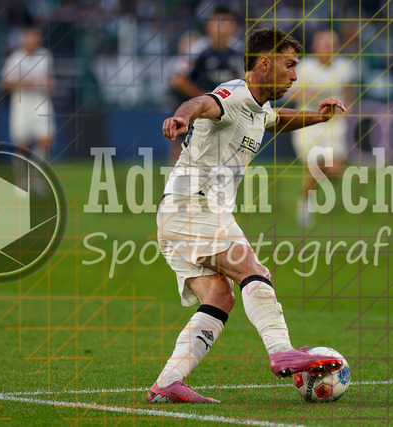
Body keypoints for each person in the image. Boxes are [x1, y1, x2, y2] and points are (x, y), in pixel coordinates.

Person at [148, 27, 347, 404]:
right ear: (265, 64)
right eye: (289, 65)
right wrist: (181, 117)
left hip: (180, 214)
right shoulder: (235, 94)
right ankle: (281, 350)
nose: (295, 75)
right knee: (253, 269)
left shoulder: (259, 106)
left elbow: (276, 119)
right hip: (194, 206)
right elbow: (201, 103)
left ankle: (168, 382)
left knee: (220, 297)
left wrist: (317, 118)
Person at [289, 29, 357, 226]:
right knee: (316, 164)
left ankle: (306, 198)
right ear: (315, 46)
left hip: (334, 124)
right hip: (308, 123)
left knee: (334, 170)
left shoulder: (346, 68)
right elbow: (292, 94)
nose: (328, 48)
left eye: (332, 45)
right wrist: (311, 97)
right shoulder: (303, 68)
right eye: (324, 44)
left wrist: (348, 107)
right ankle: (305, 205)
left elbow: (349, 93)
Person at [167, 5, 243, 163]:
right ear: (209, 25)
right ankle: (174, 177)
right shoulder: (197, 49)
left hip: (224, 109)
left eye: (228, 23)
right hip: (194, 107)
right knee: (182, 148)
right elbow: (178, 80)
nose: (223, 28)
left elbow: (243, 81)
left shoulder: (238, 51)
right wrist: (205, 98)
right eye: (219, 22)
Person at [0, 25, 55, 191]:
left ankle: (35, 174)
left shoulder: (45, 56)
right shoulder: (15, 58)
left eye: (34, 37)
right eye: (29, 37)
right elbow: (5, 83)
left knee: (47, 140)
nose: (32, 41)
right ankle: (21, 180)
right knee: (22, 145)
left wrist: (50, 84)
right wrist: (26, 83)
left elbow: (50, 79)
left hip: (41, 102)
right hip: (21, 104)